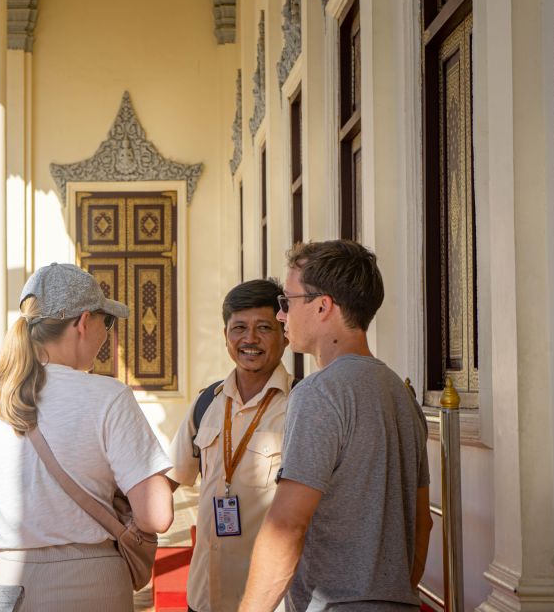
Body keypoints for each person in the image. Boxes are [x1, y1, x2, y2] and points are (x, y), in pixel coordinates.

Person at [0, 263, 174, 612]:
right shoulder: (109, 397)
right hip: (94, 584)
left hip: (7, 586)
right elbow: (157, 516)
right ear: (84, 322)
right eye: (107, 321)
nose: (107, 334)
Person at [240, 240, 433, 612]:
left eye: (287, 302)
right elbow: (422, 522)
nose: (282, 316)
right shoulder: (400, 393)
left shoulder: (319, 392)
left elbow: (287, 526)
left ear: (323, 305)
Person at [167, 279, 292, 612]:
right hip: (205, 593)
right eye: (239, 328)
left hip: (269, 600)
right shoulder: (208, 402)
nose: (249, 339)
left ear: (286, 334)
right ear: (225, 336)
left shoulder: (301, 407)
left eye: (264, 327)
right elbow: (172, 474)